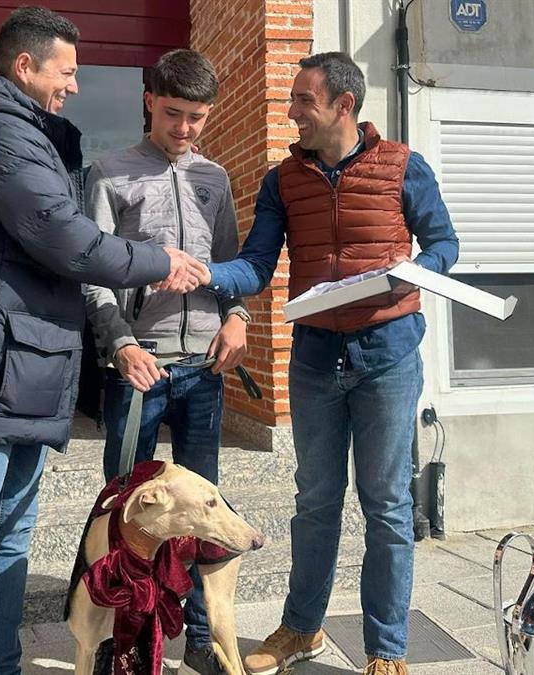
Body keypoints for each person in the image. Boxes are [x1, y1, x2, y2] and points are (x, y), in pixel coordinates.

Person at [0, 7, 209, 675]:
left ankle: (2, 665)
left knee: (10, 537)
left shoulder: (30, 137)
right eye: (66, 72)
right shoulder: (0, 137)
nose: (73, 85)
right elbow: (69, 242)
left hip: (23, 364)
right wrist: (161, 260)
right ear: (24, 66)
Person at [182, 52, 459, 675]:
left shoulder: (403, 166)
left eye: (303, 101)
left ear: (344, 105)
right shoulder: (284, 179)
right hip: (313, 359)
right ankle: (302, 628)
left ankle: (387, 649)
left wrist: (410, 275)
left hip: (387, 355)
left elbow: (445, 243)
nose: (292, 113)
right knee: (315, 500)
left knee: (385, 502)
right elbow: (256, 264)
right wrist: (203, 273)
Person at [82, 48, 250, 675]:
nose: (184, 128)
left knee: (209, 511)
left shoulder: (215, 179)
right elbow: (92, 276)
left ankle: (203, 636)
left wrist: (238, 318)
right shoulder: (109, 173)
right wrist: (120, 343)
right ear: (150, 99)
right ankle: (118, 640)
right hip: (139, 368)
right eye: (174, 113)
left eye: (198, 117)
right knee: (124, 511)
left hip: (203, 370)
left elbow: (235, 268)